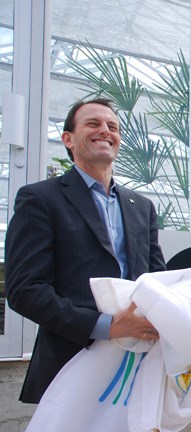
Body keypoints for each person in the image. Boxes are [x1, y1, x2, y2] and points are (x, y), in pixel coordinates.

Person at [5, 97, 166, 404]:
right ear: (68, 139)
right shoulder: (41, 199)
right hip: (71, 364)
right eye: (93, 124)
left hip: (137, 366)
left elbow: (157, 279)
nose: (105, 130)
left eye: (112, 126)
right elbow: (25, 290)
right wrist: (105, 326)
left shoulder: (141, 207)